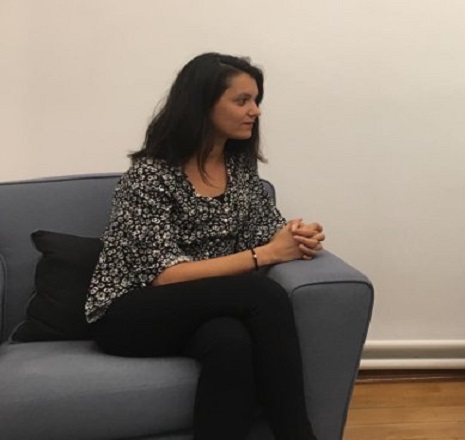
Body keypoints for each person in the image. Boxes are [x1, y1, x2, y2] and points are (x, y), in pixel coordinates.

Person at [85, 52, 323, 440]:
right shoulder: (149, 176)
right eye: (242, 100)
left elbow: (268, 230)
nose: (255, 111)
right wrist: (266, 254)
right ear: (202, 104)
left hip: (201, 310)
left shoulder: (239, 169)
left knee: (229, 341)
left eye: (256, 100)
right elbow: (166, 275)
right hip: (129, 313)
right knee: (261, 294)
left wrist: (298, 234)